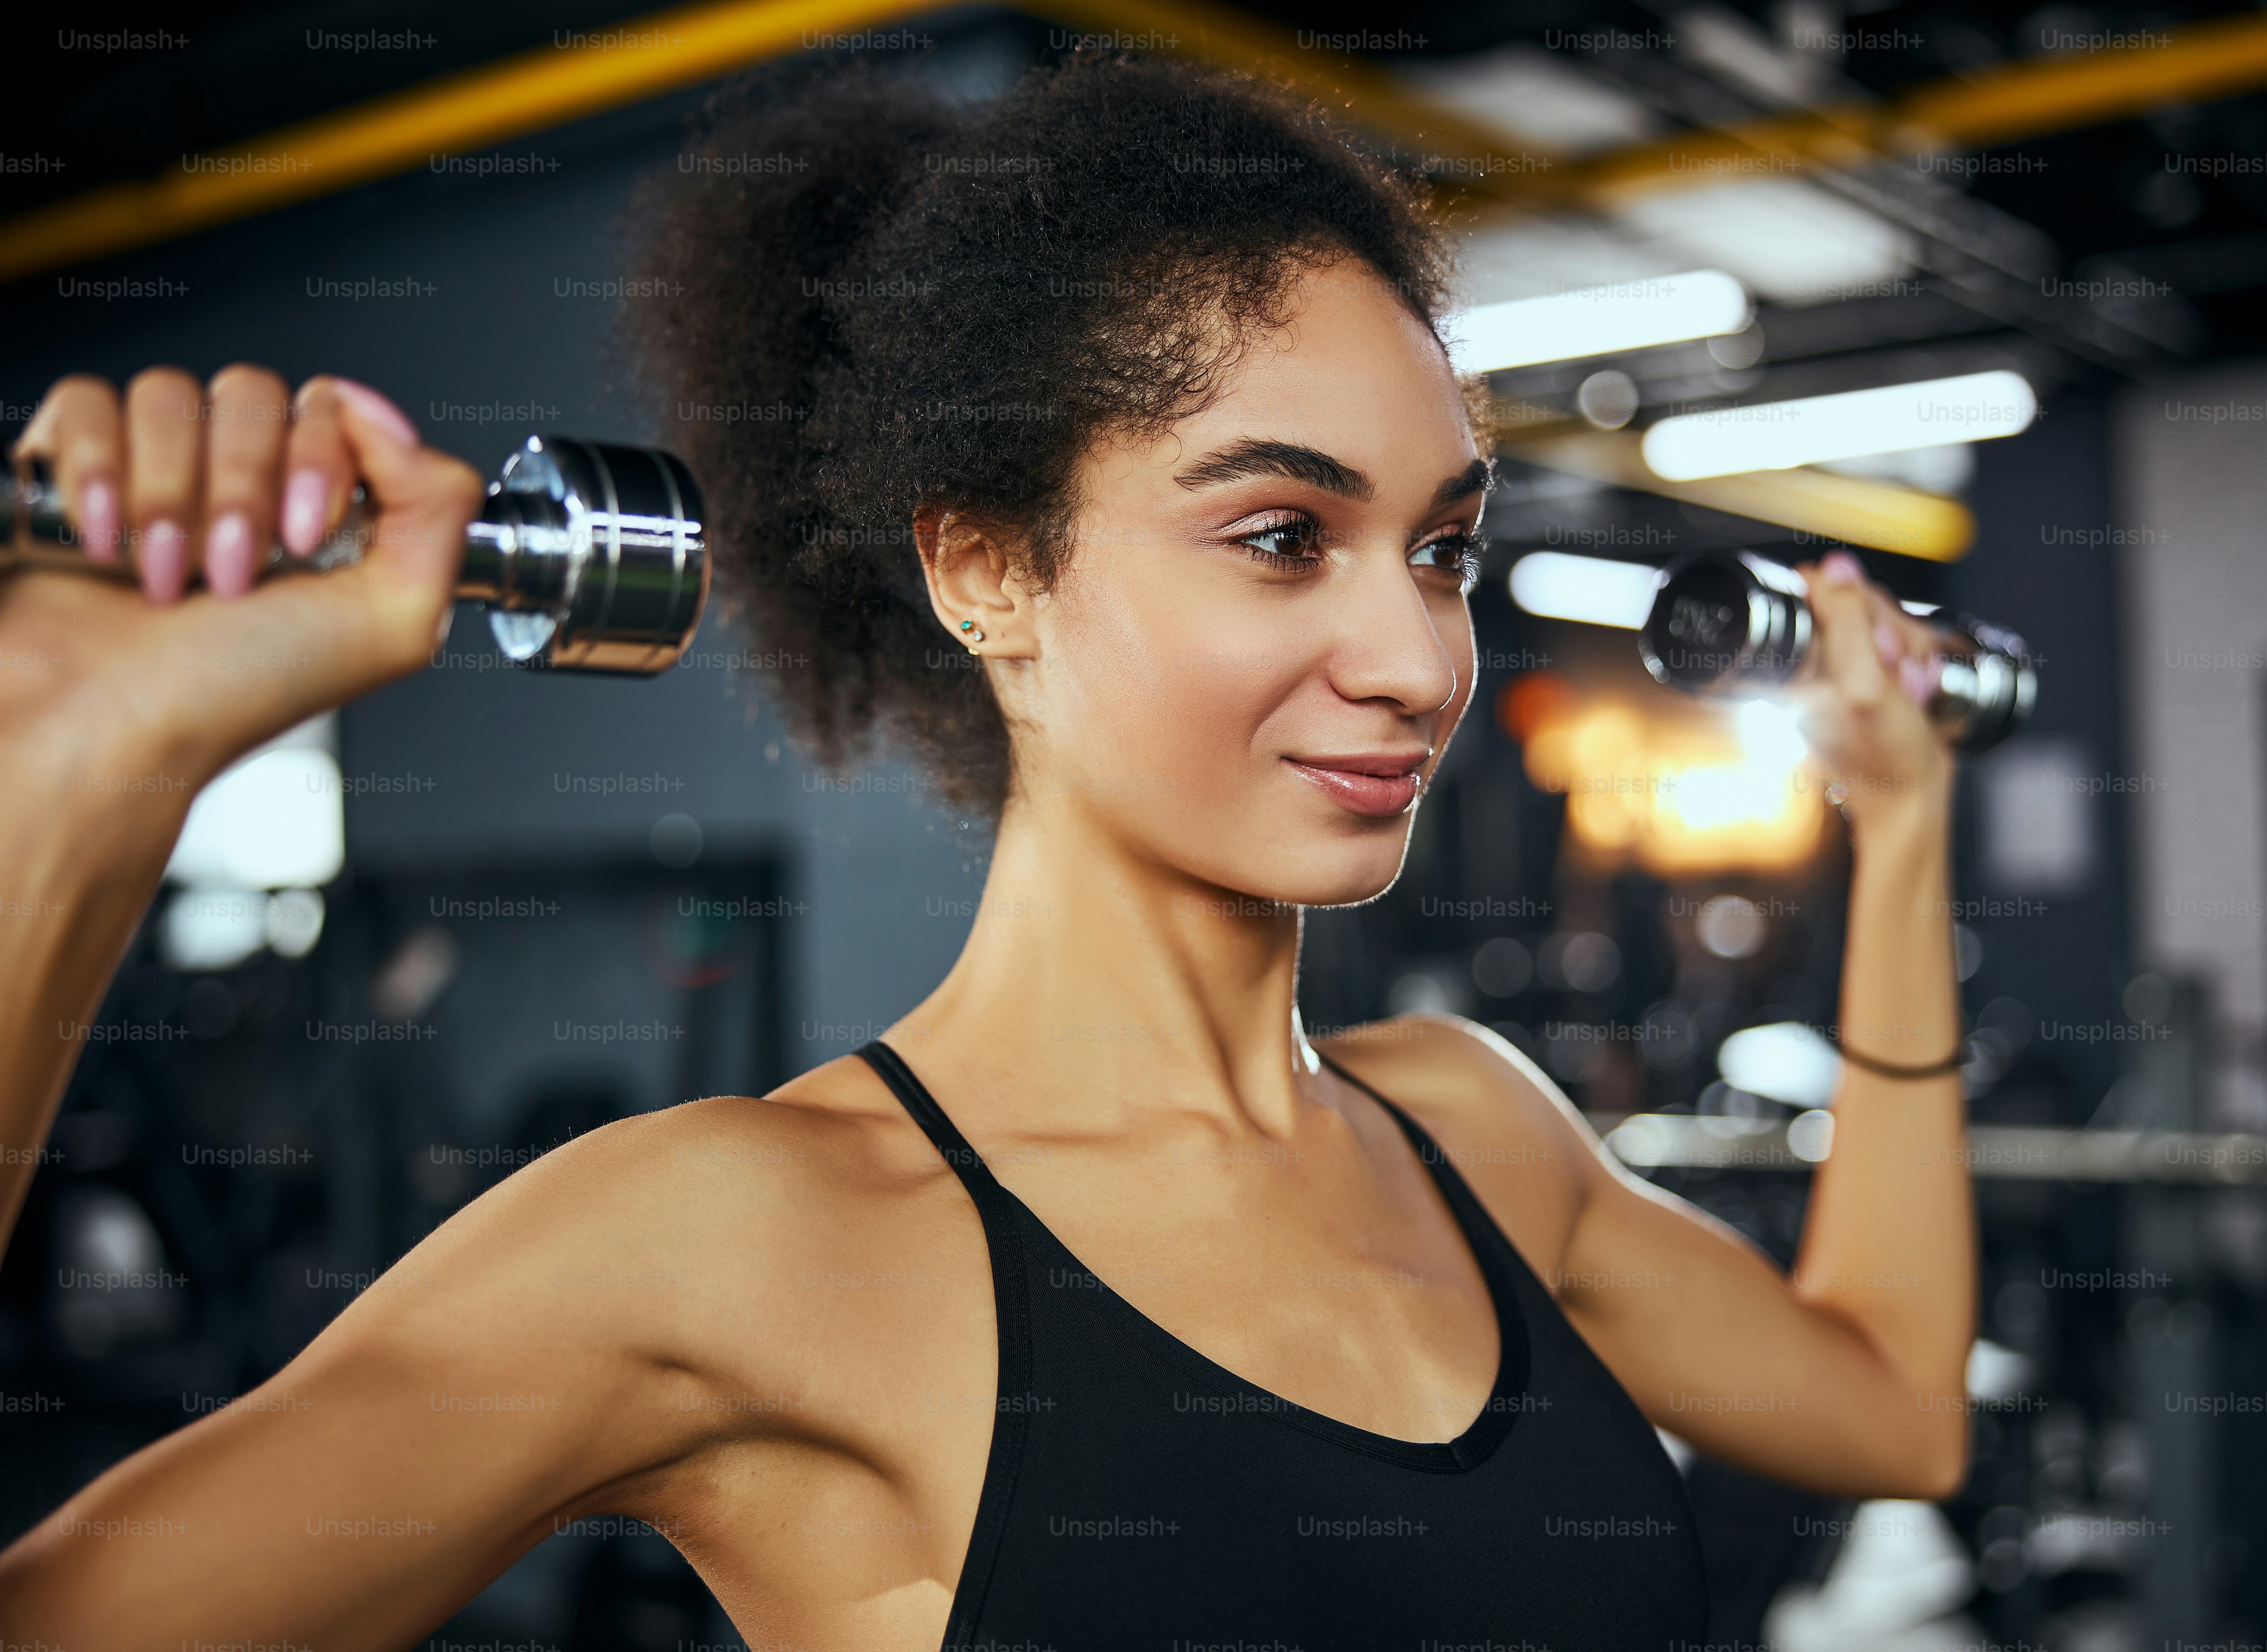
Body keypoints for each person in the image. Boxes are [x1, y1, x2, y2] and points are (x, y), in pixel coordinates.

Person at [0, 53, 1974, 1650]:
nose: (1415, 656)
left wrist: (1897, 826)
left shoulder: (1475, 1132)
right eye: (1283, 534)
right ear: (985, 568)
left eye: (1439, 545)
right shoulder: (745, 1239)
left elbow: (1887, 1399)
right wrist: (76, 780)